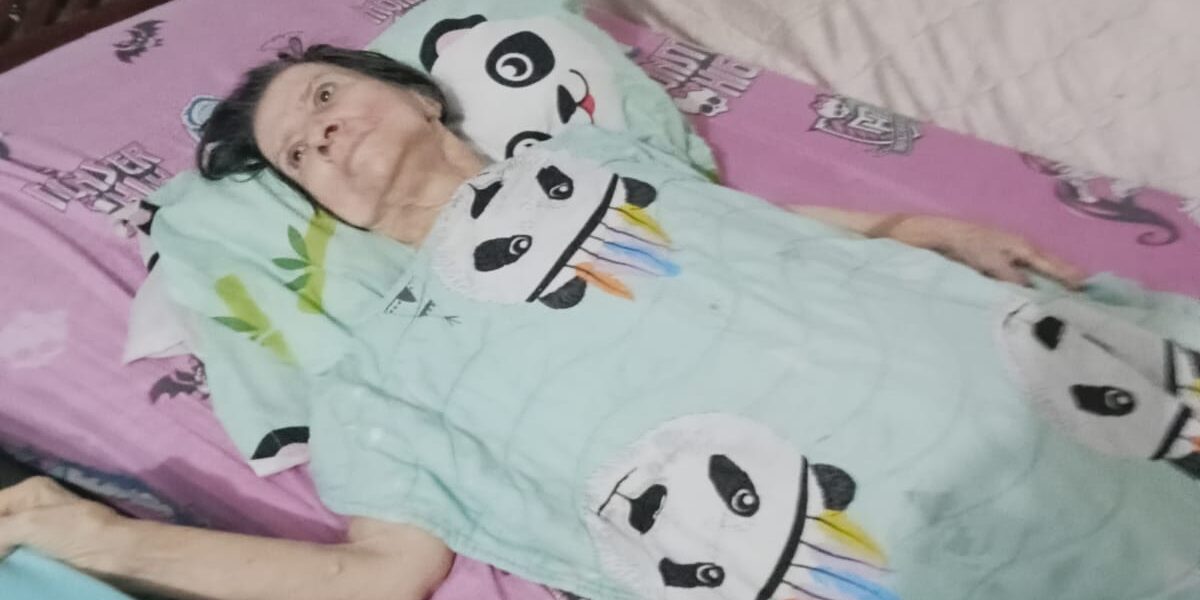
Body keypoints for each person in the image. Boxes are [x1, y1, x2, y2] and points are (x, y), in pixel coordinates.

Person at [5, 45, 1193, 600]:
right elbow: (379, 575)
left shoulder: (598, 156)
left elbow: (748, 232)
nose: (318, 128)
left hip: (1009, 382)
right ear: (324, 208)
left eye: (325, 94)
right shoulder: (381, 374)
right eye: (299, 151)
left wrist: (915, 229)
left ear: (415, 93)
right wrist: (104, 541)